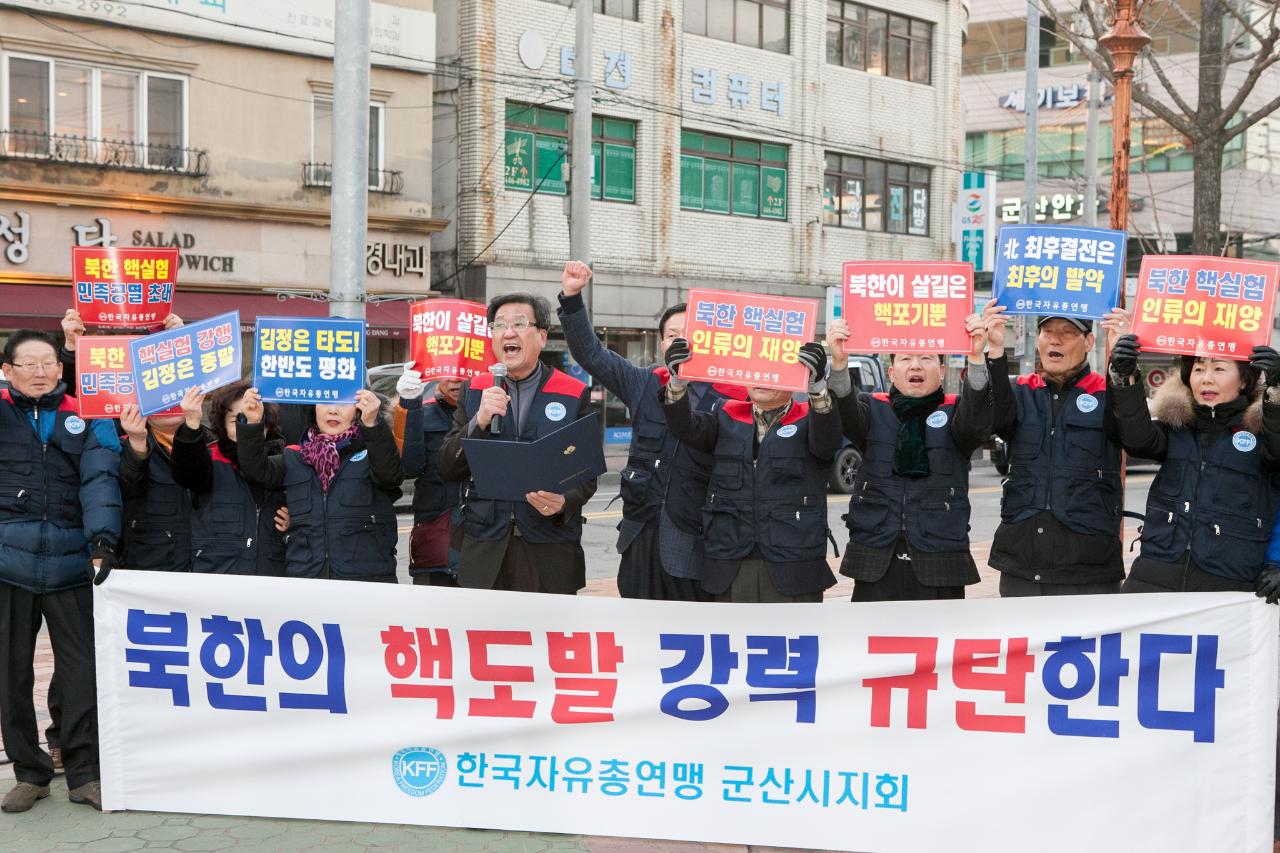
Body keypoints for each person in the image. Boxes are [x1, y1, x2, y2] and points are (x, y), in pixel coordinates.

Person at [556, 260, 747, 600]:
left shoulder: (732, 399)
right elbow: (592, 354)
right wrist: (571, 297)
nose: (679, 342)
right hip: (639, 534)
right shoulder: (644, 383)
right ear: (660, 346)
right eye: (671, 335)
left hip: (696, 540)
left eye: (688, 335)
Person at [0, 330, 120, 813]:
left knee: (81, 673)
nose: (37, 371)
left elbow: (100, 478)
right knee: (11, 673)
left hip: (73, 563)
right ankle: (29, 772)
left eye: (46, 362)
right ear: (7, 371)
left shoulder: (86, 413)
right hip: (8, 562)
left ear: (61, 368)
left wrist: (103, 541)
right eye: (25, 363)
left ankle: (83, 772)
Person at [830, 302, 998, 601]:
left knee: (943, 646)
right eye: (906, 358)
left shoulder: (957, 410)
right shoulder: (872, 409)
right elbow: (843, 410)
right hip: (875, 554)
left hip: (940, 556)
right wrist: (839, 364)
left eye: (926, 358)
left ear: (943, 370)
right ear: (892, 372)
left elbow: (977, 424)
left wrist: (975, 359)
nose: (916, 365)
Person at [660, 335, 841, 603]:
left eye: (774, 370)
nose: (763, 378)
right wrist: (677, 381)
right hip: (730, 562)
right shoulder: (724, 414)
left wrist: (817, 387)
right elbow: (684, 427)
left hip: (794, 564)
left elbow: (826, 443)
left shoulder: (810, 418)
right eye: (757, 370)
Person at [439, 293, 596, 594]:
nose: (508, 332)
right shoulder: (474, 392)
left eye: (519, 324)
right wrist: (480, 420)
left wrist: (565, 501)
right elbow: (448, 464)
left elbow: (587, 472)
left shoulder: (573, 393)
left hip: (549, 547)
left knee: (548, 638)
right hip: (485, 547)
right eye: (499, 326)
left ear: (542, 336)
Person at [1109, 337, 1280, 593]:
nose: (1206, 379)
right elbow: (1137, 439)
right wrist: (1124, 377)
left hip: (1230, 578)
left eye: (1219, 369)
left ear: (1245, 380)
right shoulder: (1176, 427)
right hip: (1156, 571)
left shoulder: (1262, 434)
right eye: (1199, 369)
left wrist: (1276, 393)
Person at [988, 310, 1130, 596]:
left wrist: (1123, 367)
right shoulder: (1019, 391)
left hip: (1090, 569)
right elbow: (986, 420)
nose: (1056, 340)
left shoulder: (1109, 394)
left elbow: (1139, 438)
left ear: (1089, 342)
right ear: (1037, 340)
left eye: (1067, 332)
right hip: (1022, 566)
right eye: (1048, 331)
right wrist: (994, 352)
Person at [237, 389, 403, 582]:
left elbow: (390, 477)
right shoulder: (295, 458)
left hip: (367, 580)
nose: (333, 410)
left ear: (358, 409)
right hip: (308, 579)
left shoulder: (374, 451)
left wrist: (373, 425)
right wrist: (252, 423)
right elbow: (255, 470)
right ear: (313, 408)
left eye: (343, 404)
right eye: (324, 402)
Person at [170, 383, 290, 576]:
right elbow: (185, 472)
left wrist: (296, 522)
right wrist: (192, 422)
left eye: (253, 417)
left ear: (266, 424)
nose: (245, 425)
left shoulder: (285, 463)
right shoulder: (209, 459)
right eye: (237, 420)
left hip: (271, 585)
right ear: (222, 425)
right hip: (217, 587)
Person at [397, 368, 463, 586]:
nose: (455, 379)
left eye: (463, 371)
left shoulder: (497, 414)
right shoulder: (422, 414)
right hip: (434, 539)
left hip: (482, 541)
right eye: (449, 370)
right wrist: (409, 404)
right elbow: (409, 466)